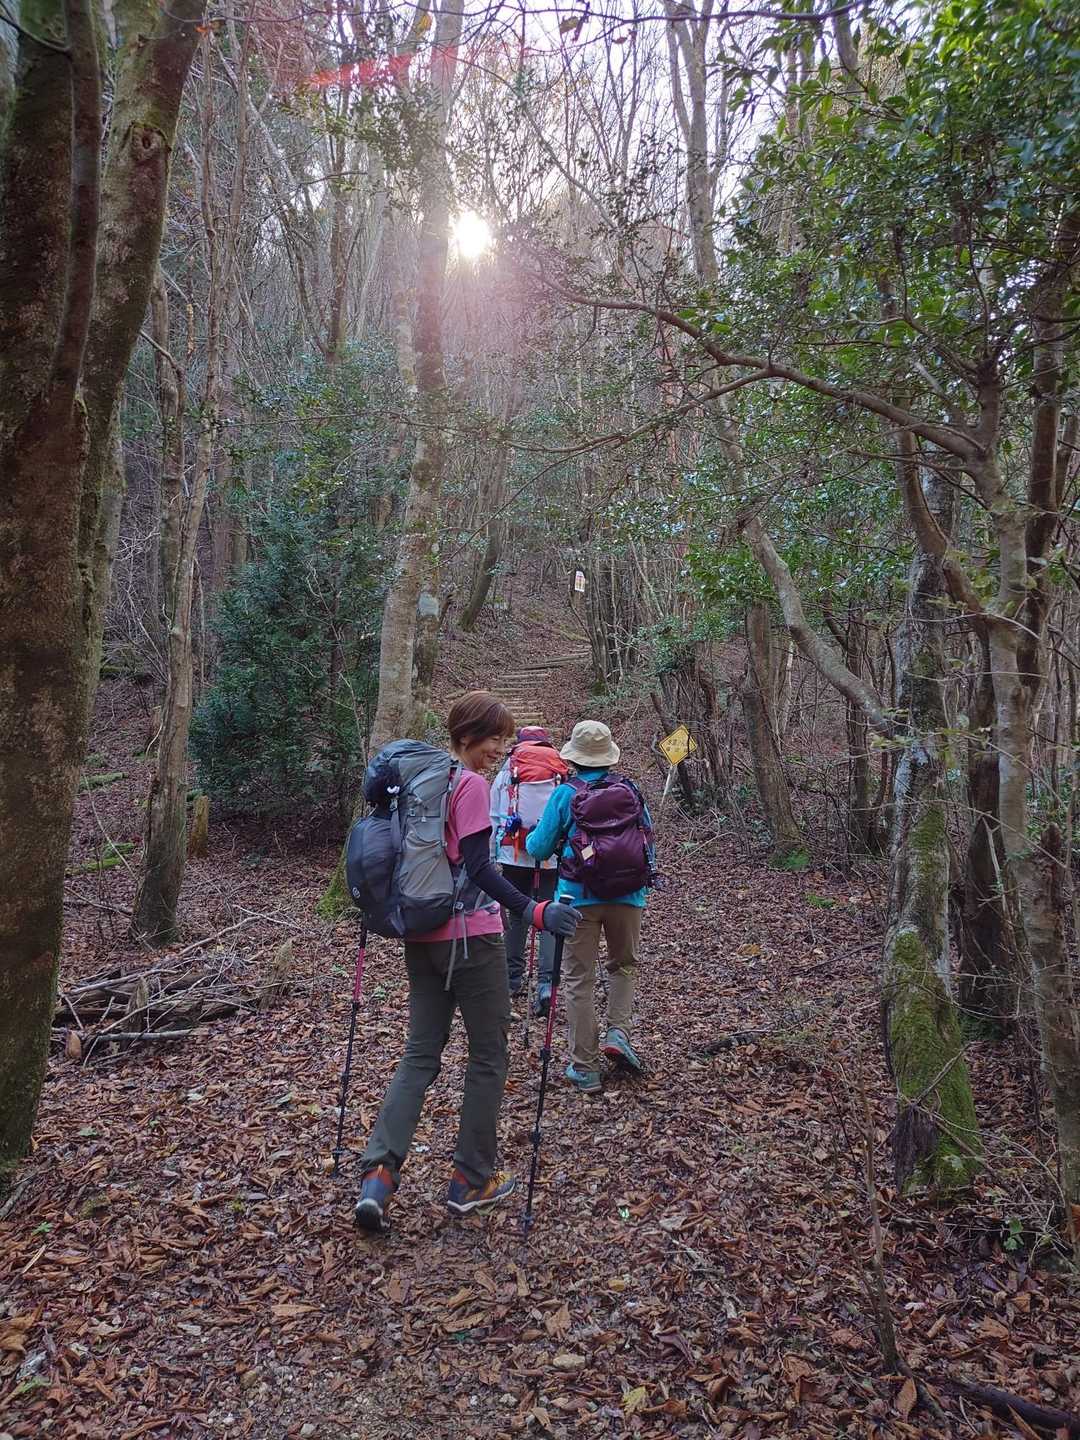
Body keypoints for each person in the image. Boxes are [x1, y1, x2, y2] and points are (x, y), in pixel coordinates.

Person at [354, 692, 582, 1233]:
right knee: (487, 1056)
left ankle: (378, 1177)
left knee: (419, 1055)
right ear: (467, 736)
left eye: (504, 740)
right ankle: (470, 1179)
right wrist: (536, 910)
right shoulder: (471, 785)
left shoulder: (419, 783)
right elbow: (480, 869)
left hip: (421, 936)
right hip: (473, 942)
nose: (500, 750)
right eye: (494, 739)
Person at [525, 719, 654, 1094]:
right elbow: (647, 841)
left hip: (577, 899)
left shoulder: (566, 794)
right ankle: (618, 1033)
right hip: (628, 896)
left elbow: (538, 848)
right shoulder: (629, 789)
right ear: (609, 756)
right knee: (624, 966)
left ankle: (585, 1067)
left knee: (579, 980)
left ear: (573, 758)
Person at [489, 726, 566, 1016]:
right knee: (547, 913)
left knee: (516, 913)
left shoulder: (508, 770)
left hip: (513, 854)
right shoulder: (560, 770)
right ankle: (546, 983)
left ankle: (512, 978)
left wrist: (492, 854)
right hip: (550, 856)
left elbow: (494, 814)